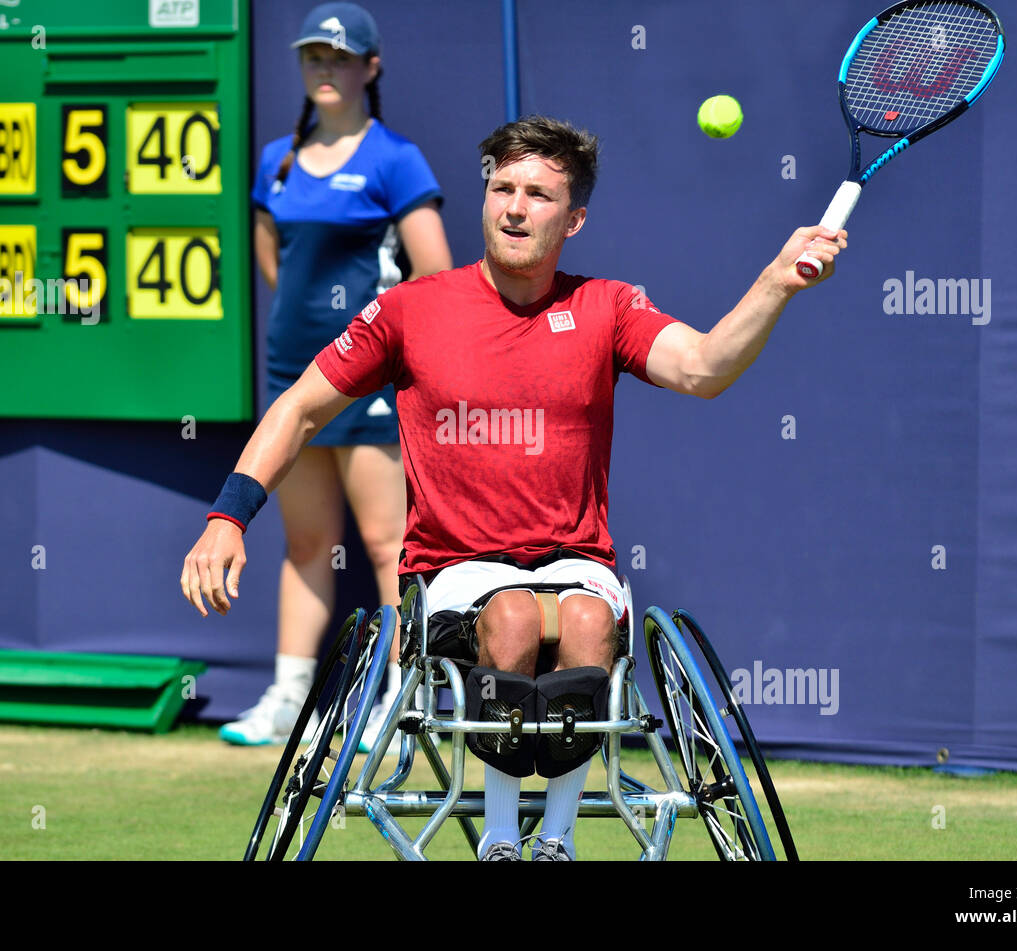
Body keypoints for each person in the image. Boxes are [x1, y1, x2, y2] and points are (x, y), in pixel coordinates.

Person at [183, 115, 847, 859]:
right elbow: (300, 407)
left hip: (575, 562)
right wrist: (228, 516)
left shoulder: (607, 306)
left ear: (575, 217)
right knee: (513, 618)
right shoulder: (412, 308)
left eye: (538, 193)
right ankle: (502, 839)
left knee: (589, 620)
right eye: (502, 187)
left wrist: (777, 280)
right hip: (452, 570)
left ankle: (553, 843)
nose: (515, 206)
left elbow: (702, 367)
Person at [220, 2, 452, 748]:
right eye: (313, 56)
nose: (325, 67)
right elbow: (270, 251)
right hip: (295, 377)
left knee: (388, 545)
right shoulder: (274, 160)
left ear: (369, 68)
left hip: (372, 382)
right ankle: (289, 697)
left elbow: (437, 273)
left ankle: (403, 700)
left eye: (340, 57)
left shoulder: (395, 160)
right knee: (305, 544)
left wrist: (371, 342)